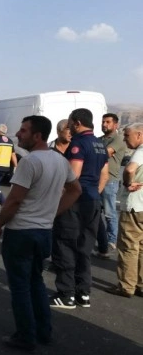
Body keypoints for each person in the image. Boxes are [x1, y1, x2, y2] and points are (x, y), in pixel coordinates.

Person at [0, 116, 80, 352]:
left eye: (23, 130)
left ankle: (25, 335)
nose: (18, 134)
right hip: (43, 232)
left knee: (20, 286)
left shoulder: (30, 162)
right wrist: (53, 213)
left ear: (37, 135)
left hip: (21, 232)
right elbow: (75, 190)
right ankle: (43, 330)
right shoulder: (60, 161)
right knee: (36, 281)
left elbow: (14, 200)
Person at [50, 108, 108, 309]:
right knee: (84, 248)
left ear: (77, 122)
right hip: (92, 200)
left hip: (76, 202)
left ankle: (66, 294)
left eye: (70, 124)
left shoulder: (78, 143)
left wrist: (60, 201)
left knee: (65, 245)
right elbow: (105, 174)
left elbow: (73, 176)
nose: (69, 128)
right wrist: (94, 193)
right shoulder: (99, 144)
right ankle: (83, 293)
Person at [106, 123, 143, 298]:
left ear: (139, 135)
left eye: (127, 136)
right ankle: (140, 284)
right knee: (141, 247)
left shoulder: (141, 151)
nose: (125, 140)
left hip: (135, 205)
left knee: (128, 246)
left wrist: (128, 183)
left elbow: (129, 169)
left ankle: (126, 286)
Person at [93, 113, 127, 258]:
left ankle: (111, 241)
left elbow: (104, 153)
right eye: (103, 122)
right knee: (95, 211)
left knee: (109, 212)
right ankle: (101, 240)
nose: (104, 124)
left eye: (108, 122)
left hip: (110, 181)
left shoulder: (118, 139)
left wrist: (93, 152)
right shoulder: (100, 139)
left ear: (115, 124)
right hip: (97, 179)